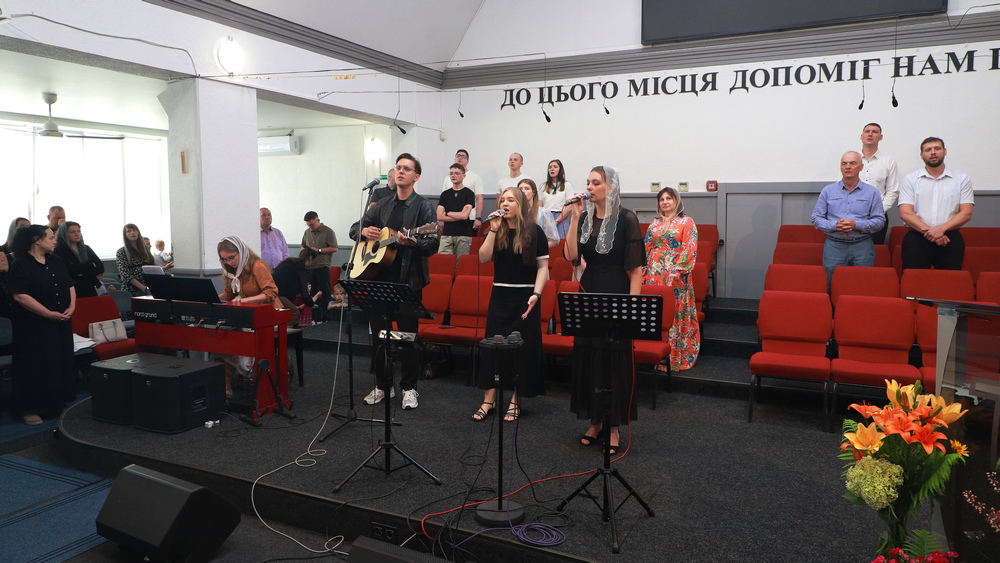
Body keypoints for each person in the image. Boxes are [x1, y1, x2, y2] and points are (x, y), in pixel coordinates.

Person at [564, 166, 645, 455]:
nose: (589, 187)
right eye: (588, 182)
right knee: (589, 356)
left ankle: (613, 427)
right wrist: (574, 219)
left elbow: (636, 270)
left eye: (595, 182)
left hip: (616, 290)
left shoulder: (627, 218)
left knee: (612, 360)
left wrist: (632, 308)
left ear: (610, 187)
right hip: (589, 289)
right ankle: (595, 421)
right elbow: (571, 256)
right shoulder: (584, 218)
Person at [353, 153, 439, 410]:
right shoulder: (381, 204)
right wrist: (363, 231)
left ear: (416, 176)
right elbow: (354, 228)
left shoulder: (424, 207)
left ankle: (409, 388)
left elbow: (432, 244)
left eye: (407, 168)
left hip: (407, 282)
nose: (401, 171)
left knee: (408, 338)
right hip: (377, 280)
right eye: (398, 167)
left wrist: (413, 242)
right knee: (379, 338)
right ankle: (383, 386)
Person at [473, 187, 548, 422]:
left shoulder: (534, 231)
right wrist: (493, 230)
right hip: (500, 296)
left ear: (521, 204)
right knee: (492, 347)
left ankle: (516, 399)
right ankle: (489, 399)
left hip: (525, 298)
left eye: (510, 200)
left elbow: (543, 268)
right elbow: (483, 258)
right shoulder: (497, 229)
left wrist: (536, 294)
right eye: (502, 200)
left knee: (521, 350)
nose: (505, 203)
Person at [8, 225, 76, 425]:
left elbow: (70, 285)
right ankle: (29, 408)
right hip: (33, 324)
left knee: (58, 361)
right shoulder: (20, 264)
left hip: (60, 321)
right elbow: (20, 296)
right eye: (50, 237)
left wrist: (71, 307)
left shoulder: (56, 260)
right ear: (36, 240)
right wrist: (47, 313)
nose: (54, 241)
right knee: (34, 365)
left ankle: (57, 402)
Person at [217, 236, 283, 396]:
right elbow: (230, 294)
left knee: (241, 337)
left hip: (271, 314)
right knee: (222, 336)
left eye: (231, 258)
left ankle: (257, 378)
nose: (229, 262)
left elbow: (271, 292)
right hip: (250, 315)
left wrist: (245, 300)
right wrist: (212, 298)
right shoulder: (232, 270)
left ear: (241, 252)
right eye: (224, 259)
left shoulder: (257, 266)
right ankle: (227, 383)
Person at [643, 187, 700, 371]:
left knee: (674, 313)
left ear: (676, 201)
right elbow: (645, 248)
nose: (665, 202)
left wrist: (679, 269)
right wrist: (643, 272)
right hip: (654, 273)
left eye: (669, 198)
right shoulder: (654, 224)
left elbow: (689, 247)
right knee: (656, 312)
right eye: (662, 199)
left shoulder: (687, 222)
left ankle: (675, 354)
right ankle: (654, 353)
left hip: (676, 276)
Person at [898, 137, 974, 270]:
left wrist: (941, 230)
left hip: (950, 238)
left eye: (937, 148)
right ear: (921, 155)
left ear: (945, 151)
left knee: (950, 280)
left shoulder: (961, 178)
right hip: (917, 239)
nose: (933, 152)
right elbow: (905, 213)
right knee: (913, 280)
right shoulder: (910, 179)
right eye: (928, 150)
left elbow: (966, 213)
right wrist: (933, 233)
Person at [811, 151, 885, 281]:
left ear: (861, 167)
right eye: (844, 164)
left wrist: (856, 225)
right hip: (834, 245)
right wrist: (834, 225)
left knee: (863, 283)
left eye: (852, 163)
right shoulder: (828, 191)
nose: (848, 167)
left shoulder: (872, 192)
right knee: (832, 283)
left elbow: (879, 221)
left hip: (862, 245)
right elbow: (816, 218)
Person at [859, 123, 899, 245]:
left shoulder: (888, 161)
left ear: (881, 137)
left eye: (875, 132)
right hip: (853, 215)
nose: (870, 134)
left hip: (878, 216)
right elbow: (841, 187)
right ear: (861, 136)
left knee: (875, 251)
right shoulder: (851, 160)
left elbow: (893, 191)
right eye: (867, 131)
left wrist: (879, 212)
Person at [301, 211, 337, 322]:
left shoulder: (328, 231)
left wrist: (319, 250)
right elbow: (302, 246)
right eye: (308, 225)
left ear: (318, 221)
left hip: (322, 266)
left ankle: (327, 318)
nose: (310, 227)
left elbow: (334, 248)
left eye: (312, 224)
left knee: (325, 292)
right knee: (312, 293)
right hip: (310, 267)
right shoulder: (307, 232)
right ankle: (314, 317)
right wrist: (307, 252)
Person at [271, 247, 321, 327]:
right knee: (295, 314)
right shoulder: (301, 269)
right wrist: (311, 303)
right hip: (280, 296)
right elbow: (304, 294)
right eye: (315, 260)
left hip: (272, 293)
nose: (315, 263)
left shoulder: (289, 262)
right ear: (311, 258)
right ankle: (281, 331)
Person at [54, 221, 105, 298]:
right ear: (64, 234)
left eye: (78, 231)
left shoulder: (86, 248)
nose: (77, 234)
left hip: (89, 287)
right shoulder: (59, 251)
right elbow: (69, 270)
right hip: (72, 290)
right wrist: (90, 265)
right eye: (72, 232)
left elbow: (100, 267)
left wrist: (82, 273)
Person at [436, 163, 476, 256]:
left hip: (463, 235)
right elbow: (439, 216)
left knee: (461, 262)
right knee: (444, 261)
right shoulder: (445, 194)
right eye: (451, 173)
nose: (453, 175)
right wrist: (459, 215)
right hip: (447, 234)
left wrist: (448, 213)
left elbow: (464, 216)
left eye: (457, 173)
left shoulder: (469, 193)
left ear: (464, 176)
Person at [441, 149, 485, 232]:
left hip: (470, 218)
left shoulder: (475, 177)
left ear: (467, 161)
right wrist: (442, 219)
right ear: (454, 159)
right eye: (458, 156)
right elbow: (443, 201)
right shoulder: (448, 178)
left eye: (463, 156)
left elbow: (479, 199)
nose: (460, 158)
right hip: (449, 218)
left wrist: (478, 218)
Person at [518, 179, 559, 249]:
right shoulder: (514, 213)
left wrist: (537, 249)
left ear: (533, 193)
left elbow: (554, 240)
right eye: (520, 189)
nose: (523, 191)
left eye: (527, 188)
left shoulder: (543, 213)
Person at [539, 159, 574, 239]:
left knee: (562, 241)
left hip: (562, 217)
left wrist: (557, 220)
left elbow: (570, 206)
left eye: (555, 167)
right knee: (546, 241)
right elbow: (540, 206)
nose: (552, 169)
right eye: (550, 167)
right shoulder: (543, 186)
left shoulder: (567, 185)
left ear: (560, 169)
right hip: (546, 217)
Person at [116, 223, 154, 297]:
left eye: (134, 230)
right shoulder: (122, 252)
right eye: (129, 231)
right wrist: (143, 288)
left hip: (148, 287)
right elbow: (125, 274)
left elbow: (152, 266)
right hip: (132, 290)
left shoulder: (144, 249)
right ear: (125, 235)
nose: (132, 233)